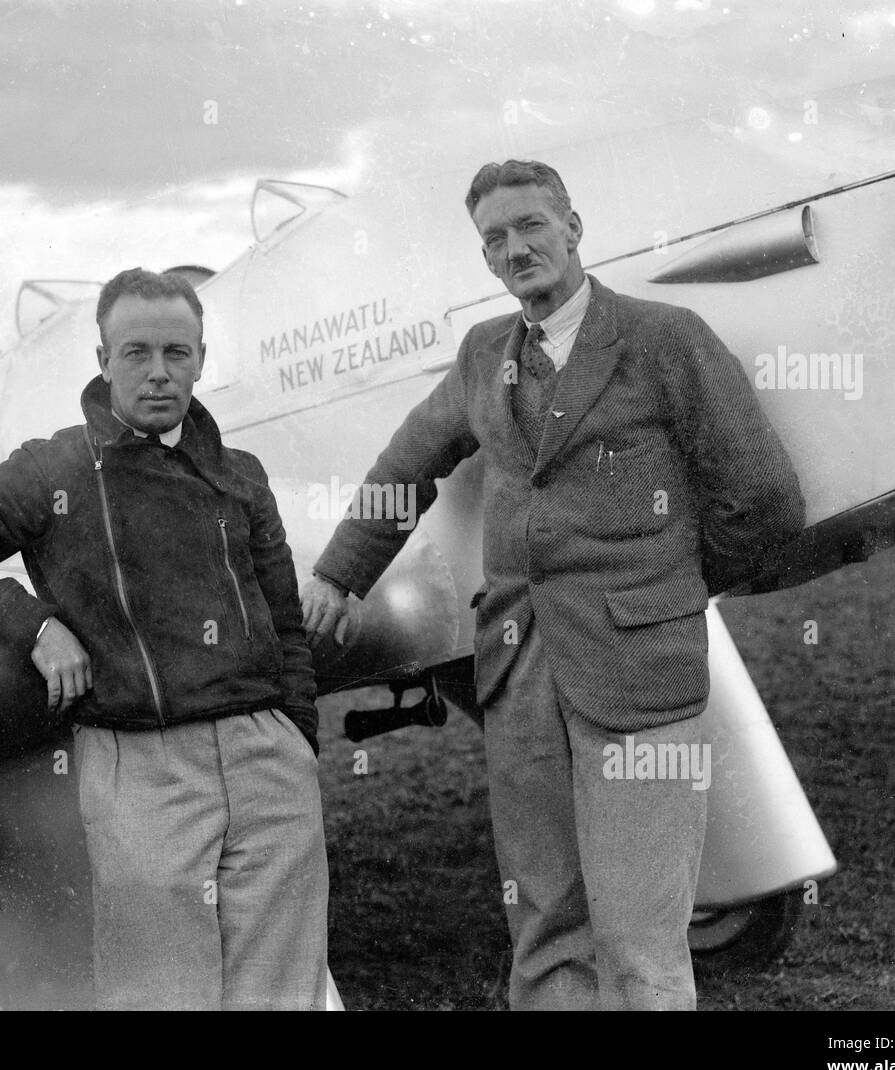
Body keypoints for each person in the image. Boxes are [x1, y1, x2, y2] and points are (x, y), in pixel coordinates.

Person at [301, 160, 805, 1011]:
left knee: (641, 941)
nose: (515, 248)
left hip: (640, 678)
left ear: (574, 226)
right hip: (519, 677)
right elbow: (407, 465)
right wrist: (337, 573)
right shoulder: (482, 357)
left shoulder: (664, 338)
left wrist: (665, 590)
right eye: (494, 238)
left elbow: (763, 497)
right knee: (544, 929)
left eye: (531, 225)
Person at [0, 267, 328, 1010]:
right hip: (139, 763)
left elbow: (285, 621)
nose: (159, 373)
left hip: (266, 757)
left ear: (199, 358)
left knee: (281, 991)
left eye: (177, 353)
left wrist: (298, 737)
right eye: (136, 353)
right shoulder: (51, 468)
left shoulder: (242, 476)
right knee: (159, 993)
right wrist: (35, 625)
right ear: (102, 360)